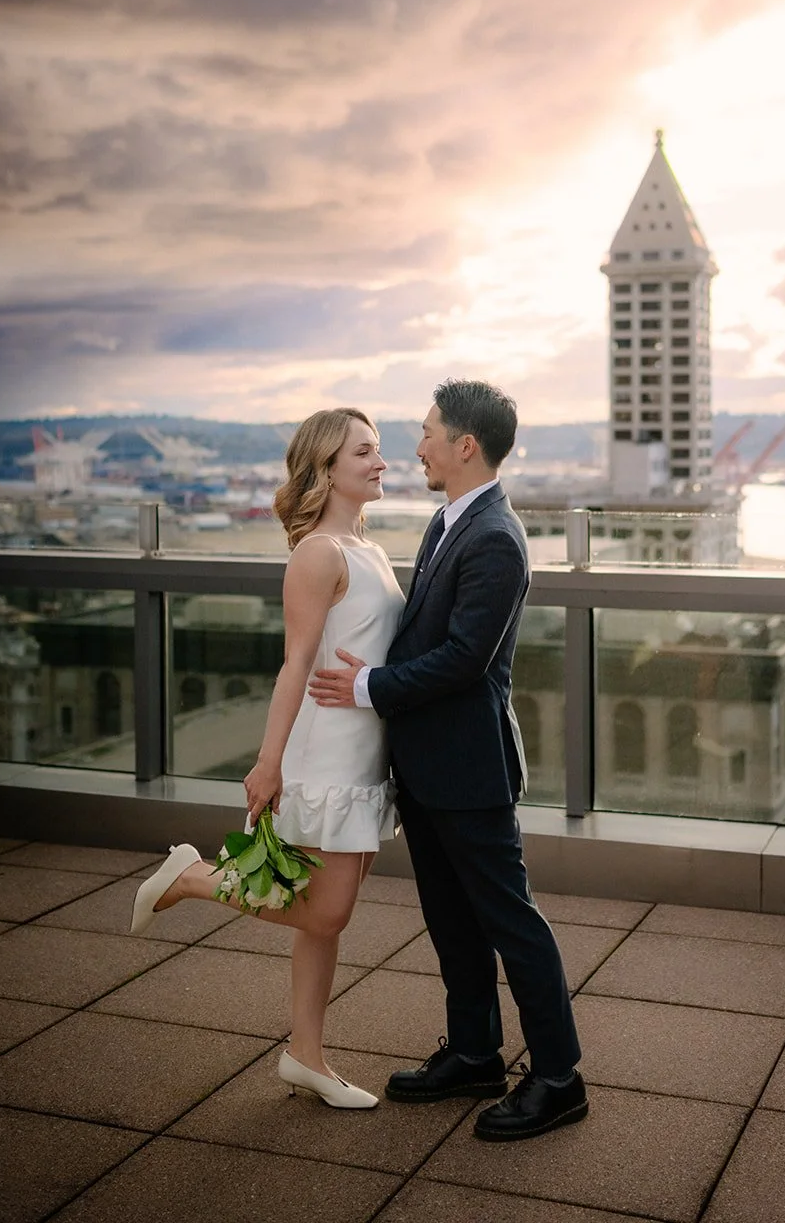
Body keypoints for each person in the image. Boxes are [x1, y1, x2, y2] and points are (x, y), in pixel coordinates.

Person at [309, 378, 586, 1140]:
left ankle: (560, 1078)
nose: (418, 445)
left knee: (511, 924)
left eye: (428, 432)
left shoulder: (495, 536)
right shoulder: (449, 520)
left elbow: (465, 659)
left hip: (470, 770)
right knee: (452, 923)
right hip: (430, 766)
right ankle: (475, 1052)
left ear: (466, 445)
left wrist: (366, 685)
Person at [129, 407, 403, 1110]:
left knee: (319, 917)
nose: (380, 462)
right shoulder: (318, 553)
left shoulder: (366, 545)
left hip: (364, 752)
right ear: (327, 468)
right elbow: (294, 665)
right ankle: (191, 877)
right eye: (365, 452)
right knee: (327, 912)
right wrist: (268, 761)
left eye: (379, 450)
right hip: (326, 753)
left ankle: (305, 1057)